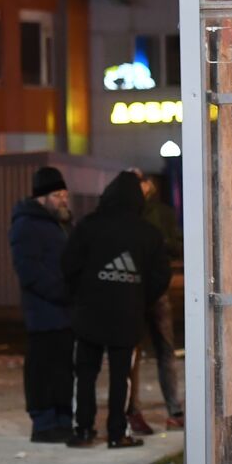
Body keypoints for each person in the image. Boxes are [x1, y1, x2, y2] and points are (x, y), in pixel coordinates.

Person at [61, 171, 171, 449]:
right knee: (121, 377)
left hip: (89, 313)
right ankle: (116, 432)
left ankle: (83, 430)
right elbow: (160, 277)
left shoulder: (88, 226)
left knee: (85, 373)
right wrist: (139, 297)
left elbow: (68, 265)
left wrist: (81, 294)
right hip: (127, 315)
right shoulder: (147, 233)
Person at [8, 166, 75, 443]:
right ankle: (45, 422)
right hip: (44, 312)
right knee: (43, 369)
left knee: (61, 368)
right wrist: (61, 292)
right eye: (58, 195)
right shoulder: (26, 225)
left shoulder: (55, 224)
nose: (64, 200)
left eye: (64, 194)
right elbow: (29, 270)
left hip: (63, 313)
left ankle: (61, 419)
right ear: (42, 196)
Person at [125, 171, 184, 434]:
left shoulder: (159, 213)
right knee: (135, 353)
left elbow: (174, 245)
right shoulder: (128, 211)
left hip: (152, 289)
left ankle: (173, 409)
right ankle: (133, 409)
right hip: (136, 291)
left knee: (163, 350)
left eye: (141, 180)